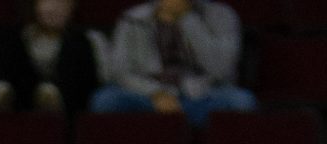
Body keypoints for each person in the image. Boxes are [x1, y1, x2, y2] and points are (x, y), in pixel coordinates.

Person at [92, 0, 253, 122]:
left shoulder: (222, 16)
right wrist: (156, 93)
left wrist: (187, 19)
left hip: (201, 95)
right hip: (148, 96)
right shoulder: (132, 18)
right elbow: (120, 71)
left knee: (241, 102)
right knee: (106, 100)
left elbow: (221, 69)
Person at [0, 0, 98, 110]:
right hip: (17, 112)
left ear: (72, 8)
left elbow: (87, 85)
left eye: (61, 3)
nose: (53, 8)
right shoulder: (14, 39)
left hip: (66, 116)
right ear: (34, 5)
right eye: (47, 1)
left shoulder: (81, 43)